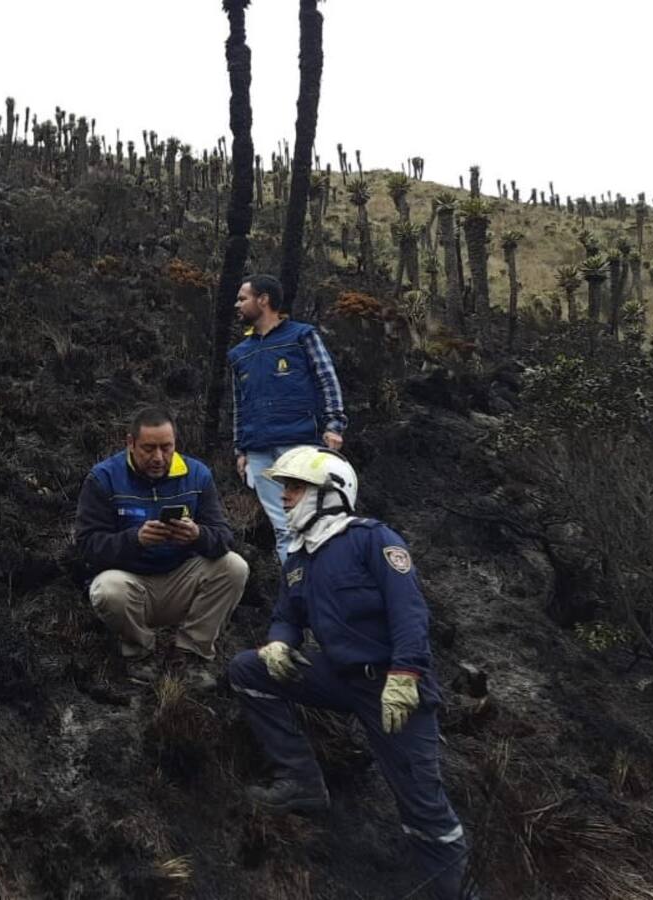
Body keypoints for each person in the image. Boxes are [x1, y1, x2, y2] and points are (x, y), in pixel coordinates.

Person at [228, 446, 474, 900]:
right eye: (285, 488)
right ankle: (301, 783)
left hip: (393, 687)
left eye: (295, 487)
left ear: (329, 493)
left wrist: (406, 674)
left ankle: (457, 892)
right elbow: (286, 616)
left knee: (423, 808)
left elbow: (409, 612)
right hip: (340, 677)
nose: (284, 497)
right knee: (248, 669)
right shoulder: (299, 558)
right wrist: (280, 642)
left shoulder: (372, 539)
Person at [75, 407, 249, 690]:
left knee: (235, 567)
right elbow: (87, 547)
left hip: (182, 579)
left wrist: (198, 535)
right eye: (148, 448)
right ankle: (140, 653)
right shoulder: (103, 478)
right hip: (131, 585)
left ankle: (190, 653)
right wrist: (135, 540)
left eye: (166, 447)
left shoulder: (197, 475)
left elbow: (224, 538)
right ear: (130, 443)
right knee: (107, 589)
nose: (158, 457)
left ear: (175, 443)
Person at [228, 274, 348, 564]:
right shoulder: (239, 354)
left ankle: (327, 584)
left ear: (263, 300)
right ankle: (295, 587)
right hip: (258, 451)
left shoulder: (302, 336)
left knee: (315, 521)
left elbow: (327, 379)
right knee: (283, 528)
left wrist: (334, 425)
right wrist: (240, 449)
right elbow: (239, 404)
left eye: (243, 298)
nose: (237, 305)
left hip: (300, 444)